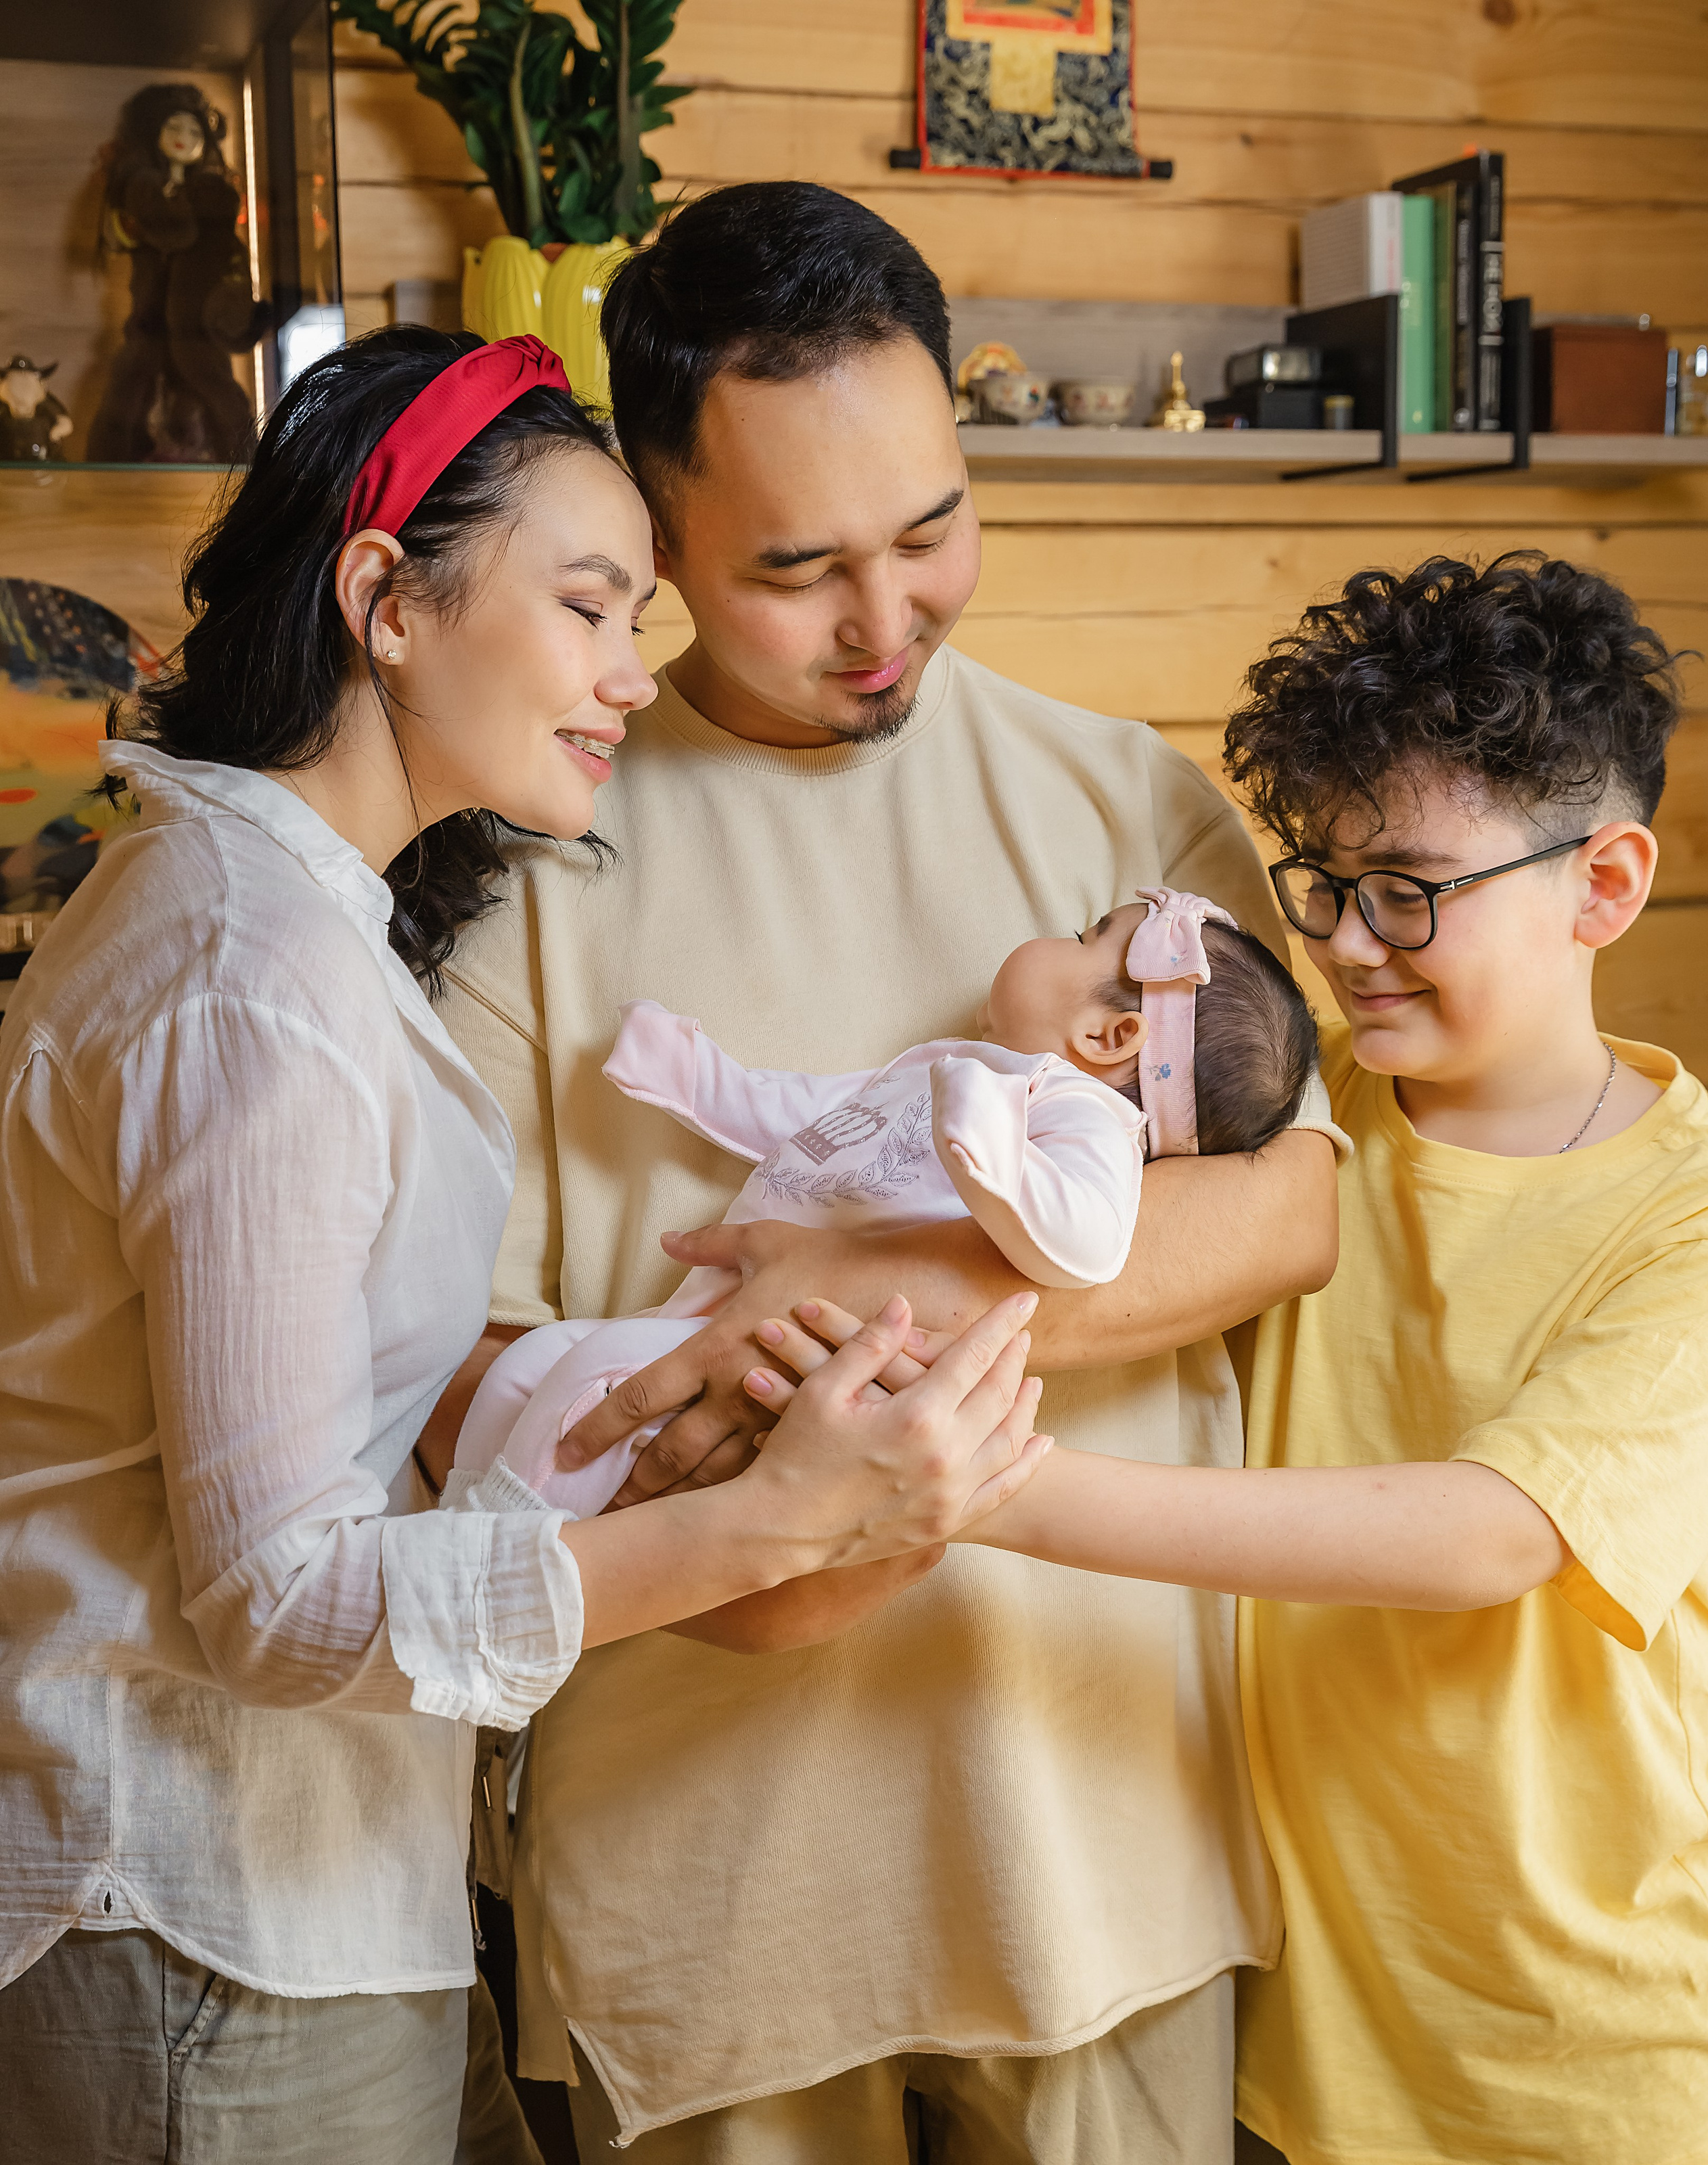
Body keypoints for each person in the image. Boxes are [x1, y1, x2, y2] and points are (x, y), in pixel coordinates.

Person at [0, 325, 1047, 2165]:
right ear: (386, 600)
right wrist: (761, 1527)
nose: (630, 679)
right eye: (587, 609)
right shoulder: (257, 985)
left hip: (293, 1901)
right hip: (195, 1918)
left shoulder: (267, 918)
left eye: (637, 619)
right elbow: (279, 1601)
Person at [431, 183, 1343, 2161]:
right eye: (797, 566)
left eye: (930, 529)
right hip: (711, 1887)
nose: (884, 619)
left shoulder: (1129, 806)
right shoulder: (523, 876)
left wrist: (862, 1307)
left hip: (1104, 1846)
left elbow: (1292, 1205)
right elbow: (448, 1363)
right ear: (656, 541)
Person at [766, 553, 1708, 2165]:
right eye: (1321, 881)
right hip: (1295, 2041)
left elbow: (1485, 1533)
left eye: (1409, 889)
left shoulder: (1696, 1222)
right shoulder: (1289, 1122)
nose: (1350, 944)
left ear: (1606, 886)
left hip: (1588, 2057)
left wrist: (992, 1486)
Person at [457, 889, 1320, 1519]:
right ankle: (457, 1530)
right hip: (718, 1307)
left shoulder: (1079, 1113)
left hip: (786, 1347)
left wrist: (989, 1156)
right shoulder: (958, 1068)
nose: (1058, 935)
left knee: (587, 1387)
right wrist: (691, 1075)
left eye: (1084, 936)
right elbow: (811, 1115)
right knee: (528, 1369)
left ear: (1112, 1035)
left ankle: (499, 1580)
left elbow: (1088, 1243)